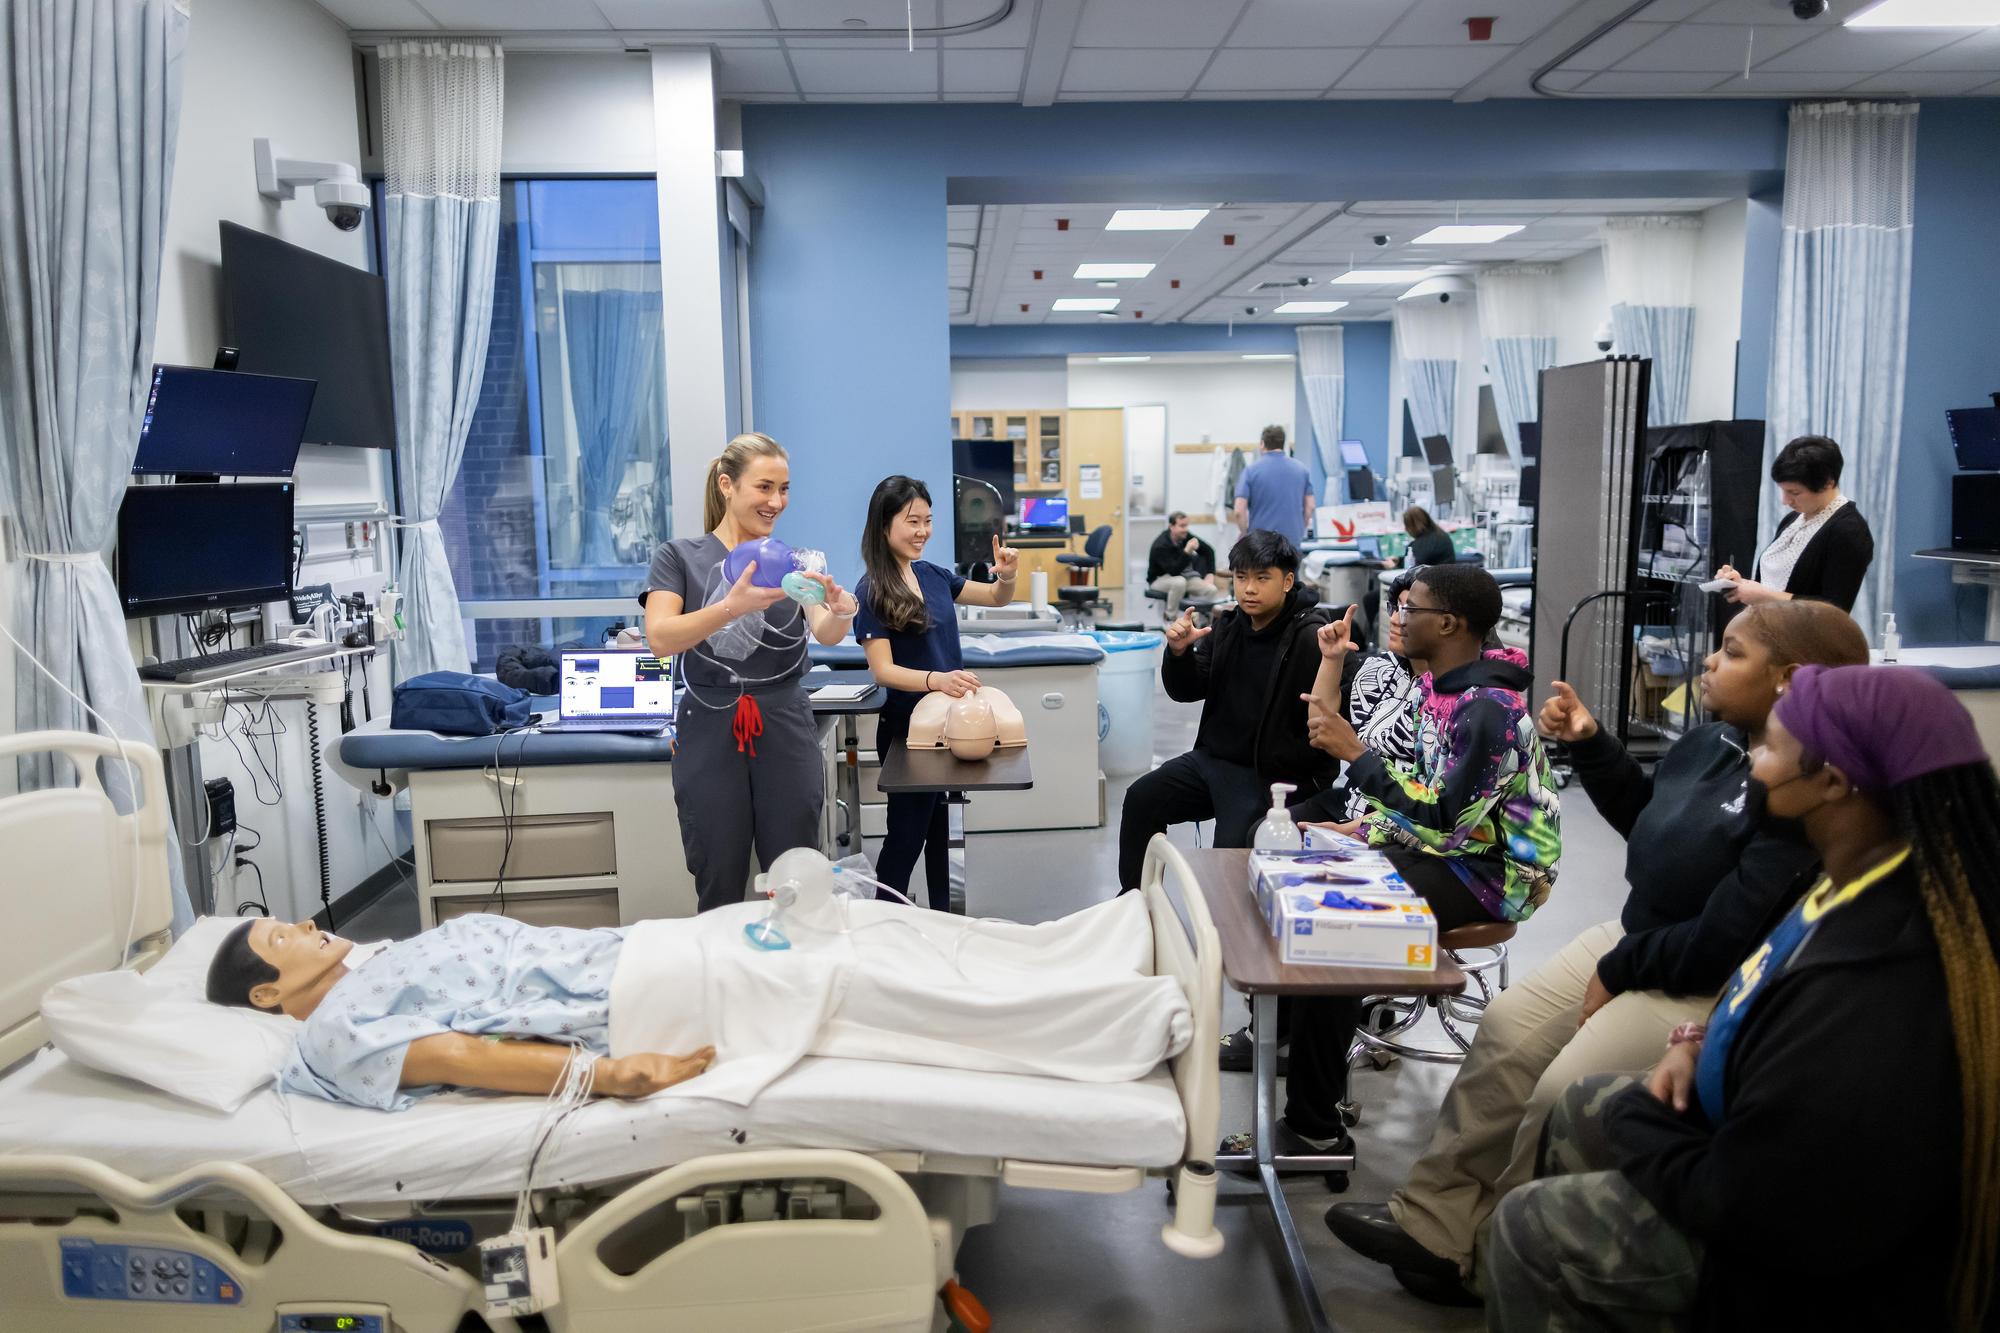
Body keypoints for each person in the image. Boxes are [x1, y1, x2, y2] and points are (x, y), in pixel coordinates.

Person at [1325, 600, 1871, 1305]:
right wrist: (1593, 746)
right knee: (1506, 1033)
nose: (1708, 660)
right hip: (1639, 939)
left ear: (1791, 679)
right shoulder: (1715, 744)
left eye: (1732, 653)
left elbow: (1729, 935)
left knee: (1558, 1093)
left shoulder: (1797, 785)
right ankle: (1432, 1223)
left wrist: (1621, 968)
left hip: (1698, 977)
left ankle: (1495, 1251)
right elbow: (1650, 820)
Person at [1484, 665, 2000, 1332]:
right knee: (1581, 1107)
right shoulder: (1861, 879)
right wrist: (1693, 1044)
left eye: (1767, 751)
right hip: (1761, 1154)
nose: (1751, 767)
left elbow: (1747, 1200)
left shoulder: (1876, 980)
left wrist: (1642, 1118)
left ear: (1833, 781)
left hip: (1787, 1262)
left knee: (1528, 1223)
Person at [208, 896, 1192, 1113]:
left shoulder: (375, 957)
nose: (295, 925)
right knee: (848, 985)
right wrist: (601, 1076)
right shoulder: (332, 1035)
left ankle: (1096, 947)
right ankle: (1120, 1023)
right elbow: (458, 1056)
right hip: (636, 998)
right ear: (267, 992)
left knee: (849, 921)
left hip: (648, 946)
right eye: (274, 938)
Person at [1275, 564, 1562, 1154]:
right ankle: (1302, 1071)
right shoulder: (1443, 689)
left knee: (1335, 922)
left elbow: (1447, 823)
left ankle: (1313, 1128)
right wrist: (1363, 825)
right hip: (1455, 850)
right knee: (1311, 872)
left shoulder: (1488, 710)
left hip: (1497, 874)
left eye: (1414, 608)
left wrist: (1355, 755)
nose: (1400, 615)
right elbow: (1422, 791)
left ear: (1450, 623)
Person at [642, 433, 859, 912]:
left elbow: (824, 630)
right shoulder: (679, 558)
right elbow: (660, 637)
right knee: (718, 865)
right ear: (727, 485)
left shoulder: (798, 563)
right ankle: (726, 980)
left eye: (783, 489)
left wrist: (844, 608)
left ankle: (795, 978)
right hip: (710, 721)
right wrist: (729, 607)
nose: (776, 501)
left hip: (783, 719)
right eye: (764, 487)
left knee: (796, 869)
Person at [1117, 530, 1332, 891]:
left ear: (1287, 581)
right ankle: (1134, 904)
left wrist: (1336, 661)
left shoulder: (1313, 636)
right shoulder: (1228, 627)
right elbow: (1186, 690)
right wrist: (1180, 653)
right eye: (1241, 577)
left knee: (1228, 857)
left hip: (1270, 774)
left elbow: (1331, 716)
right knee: (1142, 798)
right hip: (1211, 761)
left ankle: (1231, 936)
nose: (1249, 588)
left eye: (1262, 578)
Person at [854, 475, 1021, 908]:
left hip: (953, 726)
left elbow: (996, 598)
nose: (923, 531)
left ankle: (943, 920)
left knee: (941, 836)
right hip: (908, 732)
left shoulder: (932, 576)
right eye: (913, 521)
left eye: (927, 520)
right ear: (884, 524)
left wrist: (1006, 577)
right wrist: (938, 680)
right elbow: (883, 671)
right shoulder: (871, 589)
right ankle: (883, 921)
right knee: (906, 838)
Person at [1714, 434, 1874, 613]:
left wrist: (1764, 596)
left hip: (1803, 638)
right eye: (1783, 491)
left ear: (1828, 482)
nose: (1785, 501)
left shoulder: (1849, 530)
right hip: (1768, 629)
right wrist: (1741, 584)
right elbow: (1774, 584)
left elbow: (1834, 611)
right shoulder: (1793, 519)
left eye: (1795, 492)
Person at [1234, 424, 1315, 546]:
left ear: (1262, 444)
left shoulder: (1250, 471)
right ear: (1283, 444)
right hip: (1291, 542)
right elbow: (1310, 506)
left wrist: (1245, 533)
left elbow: (1239, 511)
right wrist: (1298, 529)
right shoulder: (1301, 470)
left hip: (1260, 543)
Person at [1146, 510, 1221, 616]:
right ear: (1171, 526)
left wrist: (1210, 574)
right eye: (1182, 526)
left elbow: (1209, 551)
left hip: (1184, 578)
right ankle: (1170, 617)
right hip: (1159, 579)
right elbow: (1174, 571)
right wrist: (1187, 551)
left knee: (1211, 589)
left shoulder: (1185, 536)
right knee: (1179, 582)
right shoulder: (1161, 545)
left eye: (1186, 526)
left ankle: (1204, 623)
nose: (1185, 529)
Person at [1391, 506, 1456, 570]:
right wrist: (1399, 561)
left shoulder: (1423, 544)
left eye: (1407, 526)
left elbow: (1414, 566)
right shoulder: (1439, 535)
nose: (1406, 529)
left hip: (1436, 578)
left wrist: (1394, 566)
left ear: (1413, 526)